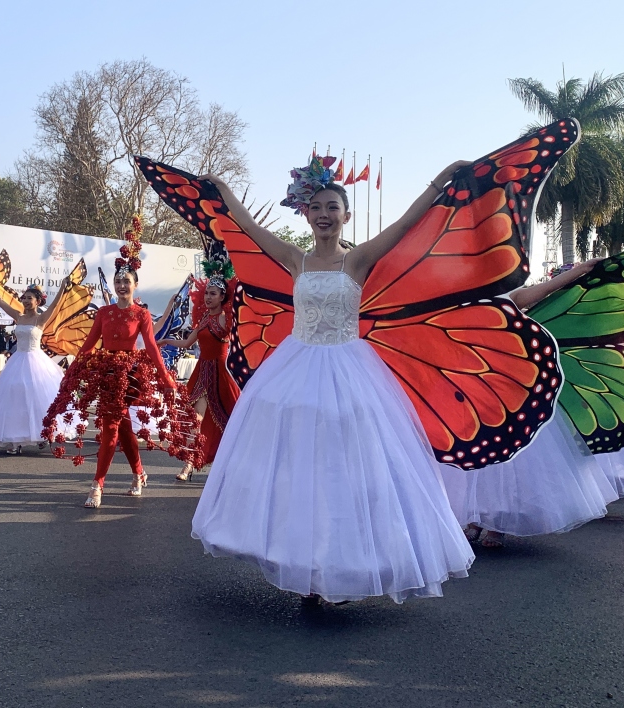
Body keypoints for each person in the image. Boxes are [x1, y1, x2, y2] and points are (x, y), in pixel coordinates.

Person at [186, 160, 476, 605]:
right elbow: (244, 227)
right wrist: (223, 189)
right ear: (306, 214)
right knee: (298, 474)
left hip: (349, 375)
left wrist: (442, 179)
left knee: (342, 474)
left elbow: (405, 223)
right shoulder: (294, 259)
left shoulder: (356, 260)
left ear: (346, 215)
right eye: (317, 206)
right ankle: (301, 561)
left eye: (333, 207)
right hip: (295, 373)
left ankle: (337, 565)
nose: (324, 213)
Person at [437, 260, 619, 547]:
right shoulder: (449, 295)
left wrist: (576, 272)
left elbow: (540, 291)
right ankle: (471, 518)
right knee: (472, 453)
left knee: (508, 457)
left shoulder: (503, 291)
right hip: (465, 381)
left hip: (507, 380)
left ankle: (497, 523)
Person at [42, 218, 197, 508]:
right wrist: (72, 370)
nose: (122, 285)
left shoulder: (141, 315)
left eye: (127, 281)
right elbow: (88, 346)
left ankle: (97, 485)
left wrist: (166, 381)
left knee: (114, 426)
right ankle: (137, 474)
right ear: (113, 285)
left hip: (130, 377)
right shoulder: (104, 313)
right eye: (118, 281)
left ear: (135, 285)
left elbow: (151, 348)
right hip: (106, 375)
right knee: (120, 427)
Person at [159, 265, 240, 482]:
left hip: (222, 375)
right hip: (202, 372)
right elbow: (187, 342)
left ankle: (230, 464)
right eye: (206, 293)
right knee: (195, 419)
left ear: (223, 297)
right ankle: (189, 464)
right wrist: (165, 340)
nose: (208, 297)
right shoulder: (204, 319)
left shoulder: (226, 318)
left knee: (231, 421)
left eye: (213, 294)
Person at [0, 276, 73, 454]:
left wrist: (62, 286)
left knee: (38, 399)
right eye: (23, 298)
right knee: (15, 399)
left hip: (36, 362)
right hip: (17, 361)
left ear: (37, 301)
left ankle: (43, 433)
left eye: (29, 298)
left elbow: (55, 304)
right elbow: (0, 301)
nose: (25, 300)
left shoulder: (41, 319)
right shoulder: (18, 316)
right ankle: (15, 441)